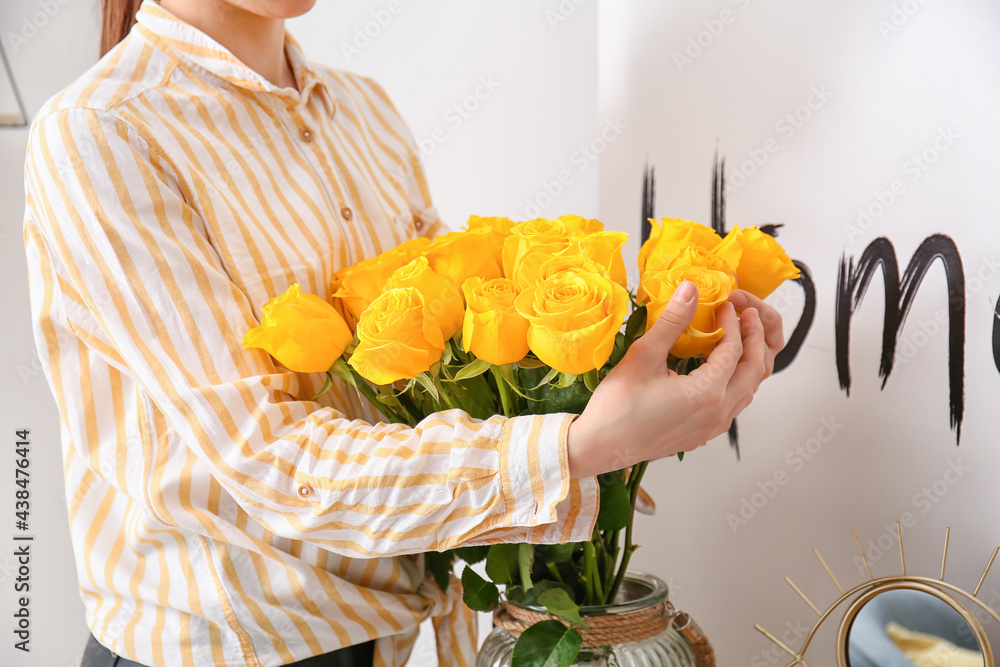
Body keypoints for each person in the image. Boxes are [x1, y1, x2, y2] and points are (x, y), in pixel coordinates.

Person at [21, 0, 784, 665]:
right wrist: (583, 446)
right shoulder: (104, 132)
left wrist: (642, 381)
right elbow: (267, 457)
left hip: (392, 642)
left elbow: (458, 381)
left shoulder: (363, 111)